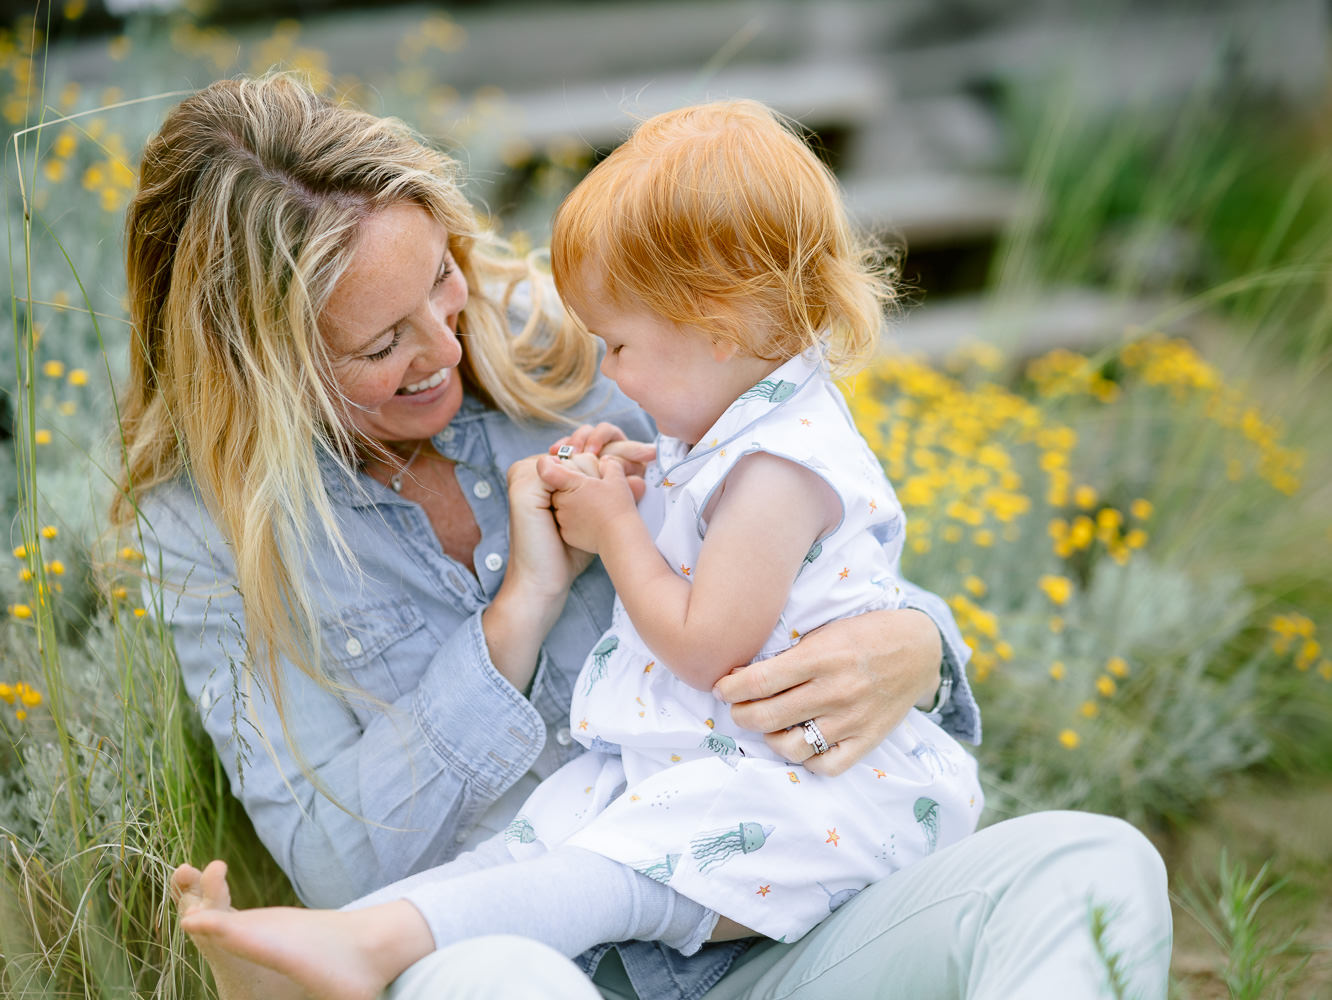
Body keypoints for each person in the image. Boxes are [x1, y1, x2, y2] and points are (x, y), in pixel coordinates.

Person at [119, 74, 1171, 999]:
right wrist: (517, 613)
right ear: (258, 366)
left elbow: (800, 547)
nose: (447, 343)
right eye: (382, 343)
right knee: (492, 986)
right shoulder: (206, 534)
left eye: (441, 278)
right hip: (521, 954)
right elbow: (337, 865)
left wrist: (920, 646)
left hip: (766, 919)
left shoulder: (579, 336)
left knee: (1092, 868)